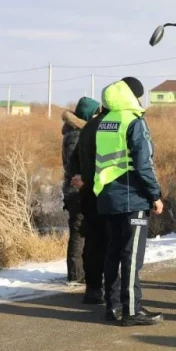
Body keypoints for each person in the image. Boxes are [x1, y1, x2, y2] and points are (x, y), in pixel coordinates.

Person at [93, 77, 165, 327]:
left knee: (112, 252)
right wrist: (155, 195)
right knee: (132, 255)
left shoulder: (105, 122)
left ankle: (112, 307)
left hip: (108, 197)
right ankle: (132, 310)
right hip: (132, 198)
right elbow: (143, 165)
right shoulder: (134, 122)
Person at [68, 105, 112, 307]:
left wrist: (80, 177)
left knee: (92, 242)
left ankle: (93, 289)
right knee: (112, 243)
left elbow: (74, 160)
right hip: (108, 194)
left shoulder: (88, 127)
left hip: (87, 195)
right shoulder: (114, 126)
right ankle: (114, 292)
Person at [61, 97, 100, 285]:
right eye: (94, 113)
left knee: (82, 230)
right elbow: (73, 165)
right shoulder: (76, 135)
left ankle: (80, 272)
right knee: (78, 231)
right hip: (76, 190)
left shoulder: (75, 132)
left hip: (78, 188)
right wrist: (83, 178)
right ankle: (76, 275)